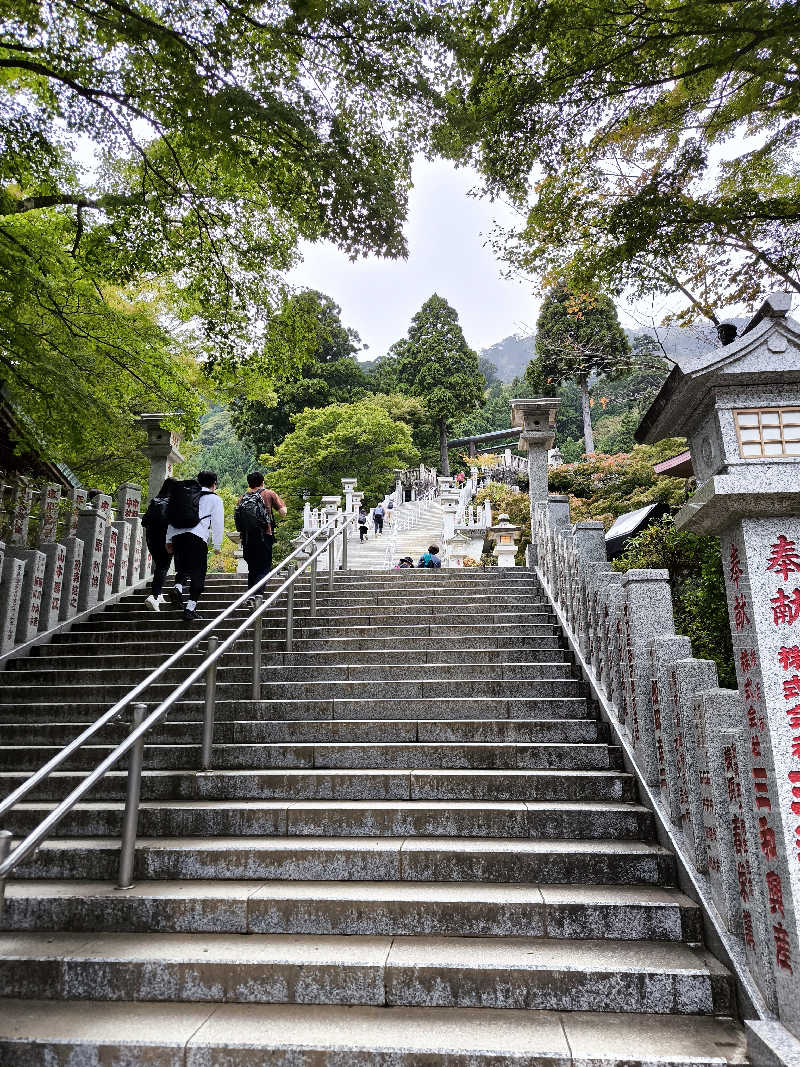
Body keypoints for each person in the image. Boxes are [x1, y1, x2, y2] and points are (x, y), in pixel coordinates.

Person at [165, 470, 225, 622]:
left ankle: (178, 588)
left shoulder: (186, 495)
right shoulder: (214, 499)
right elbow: (218, 524)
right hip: (197, 537)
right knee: (198, 573)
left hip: (178, 536)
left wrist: (169, 539)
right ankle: (190, 608)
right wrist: (217, 545)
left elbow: (172, 515)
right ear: (214, 484)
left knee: (183, 568)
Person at [235, 471, 287, 602]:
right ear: (262, 481)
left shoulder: (242, 498)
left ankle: (250, 595)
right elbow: (283, 513)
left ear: (249, 483)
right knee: (264, 568)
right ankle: (257, 595)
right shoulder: (268, 493)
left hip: (247, 538)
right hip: (264, 535)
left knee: (252, 568)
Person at [142, 476, 186, 612]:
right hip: (166, 539)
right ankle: (154, 597)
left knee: (160, 566)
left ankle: (159, 594)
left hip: (151, 539)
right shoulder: (174, 502)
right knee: (163, 566)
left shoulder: (155, 501)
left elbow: (144, 521)